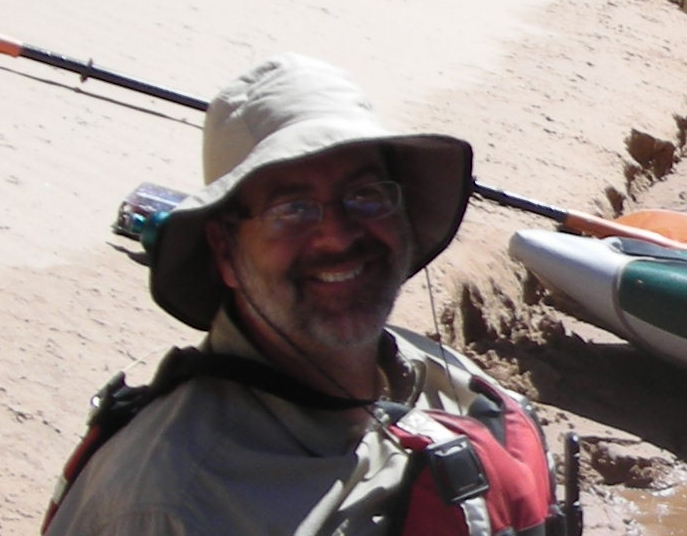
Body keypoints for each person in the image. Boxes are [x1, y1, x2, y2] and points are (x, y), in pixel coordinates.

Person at [44, 53, 536, 536]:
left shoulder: (450, 383)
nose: (338, 236)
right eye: (293, 209)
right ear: (225, 250)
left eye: (365, 195)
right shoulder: (174, 505)